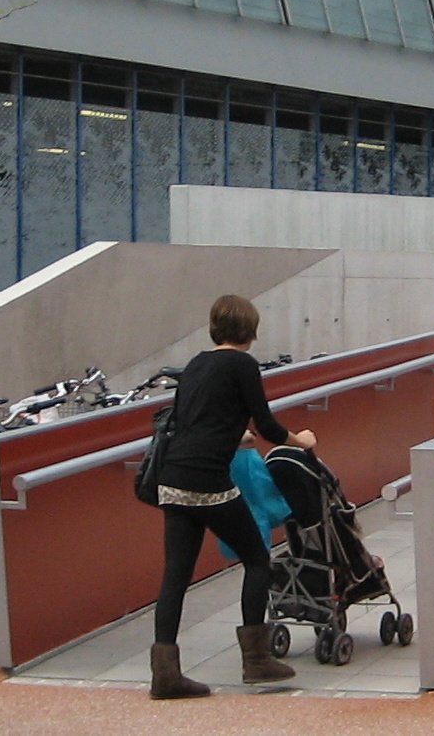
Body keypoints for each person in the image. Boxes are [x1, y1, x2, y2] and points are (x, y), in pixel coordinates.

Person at [149, 294, 317, 700]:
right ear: (250, 330)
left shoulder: (195, 365)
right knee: (257, 558)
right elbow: (267, 425)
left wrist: (233, 437)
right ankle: (257, 661)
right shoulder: (243, 365)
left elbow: (197, 422)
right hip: (208, 481)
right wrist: (301, 440)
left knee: (175, 576)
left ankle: (165, 675)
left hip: (173, 477)